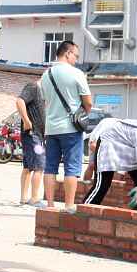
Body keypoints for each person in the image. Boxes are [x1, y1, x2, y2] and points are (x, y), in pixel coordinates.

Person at [40, 41, 91, 212]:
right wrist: (82, 114)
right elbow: (88, 103)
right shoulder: (76, 73)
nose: (76, 59)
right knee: (72, 168)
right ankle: (69, 205)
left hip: (51, 128)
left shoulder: (45, 75)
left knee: (50, 167)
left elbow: (46, 101)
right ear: (68, 53)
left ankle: (50, 205)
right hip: (71, 129)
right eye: (76, 56)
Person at [14, 79, 47, 207]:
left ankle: (23, 198)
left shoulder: (41, 92)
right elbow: (19, 101)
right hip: (33, 136)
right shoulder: (33, 87)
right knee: (39, 166)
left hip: (34, 136)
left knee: (28, 167)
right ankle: (34, 198)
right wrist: (27, 121)